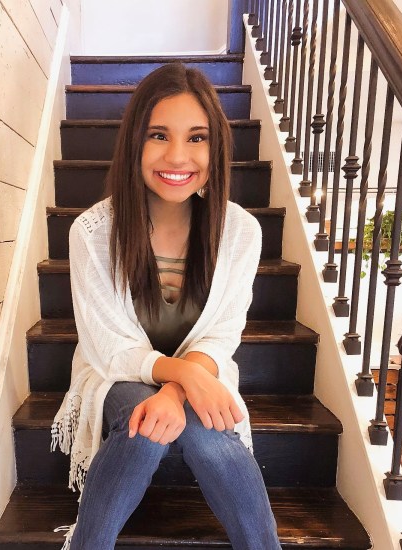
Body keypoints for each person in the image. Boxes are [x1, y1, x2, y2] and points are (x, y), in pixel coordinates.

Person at [51, 62, 281, 550]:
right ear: (134, 142)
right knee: (143, 425)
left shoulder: (240, 231)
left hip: (203, 370)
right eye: (159, 135)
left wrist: (181, 387)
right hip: (115, 373)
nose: (178, 155)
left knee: (206, 434)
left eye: (197, 138)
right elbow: (109, 346)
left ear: (216, 148)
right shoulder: (92, 232)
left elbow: (221, 333)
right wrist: (186, 379)